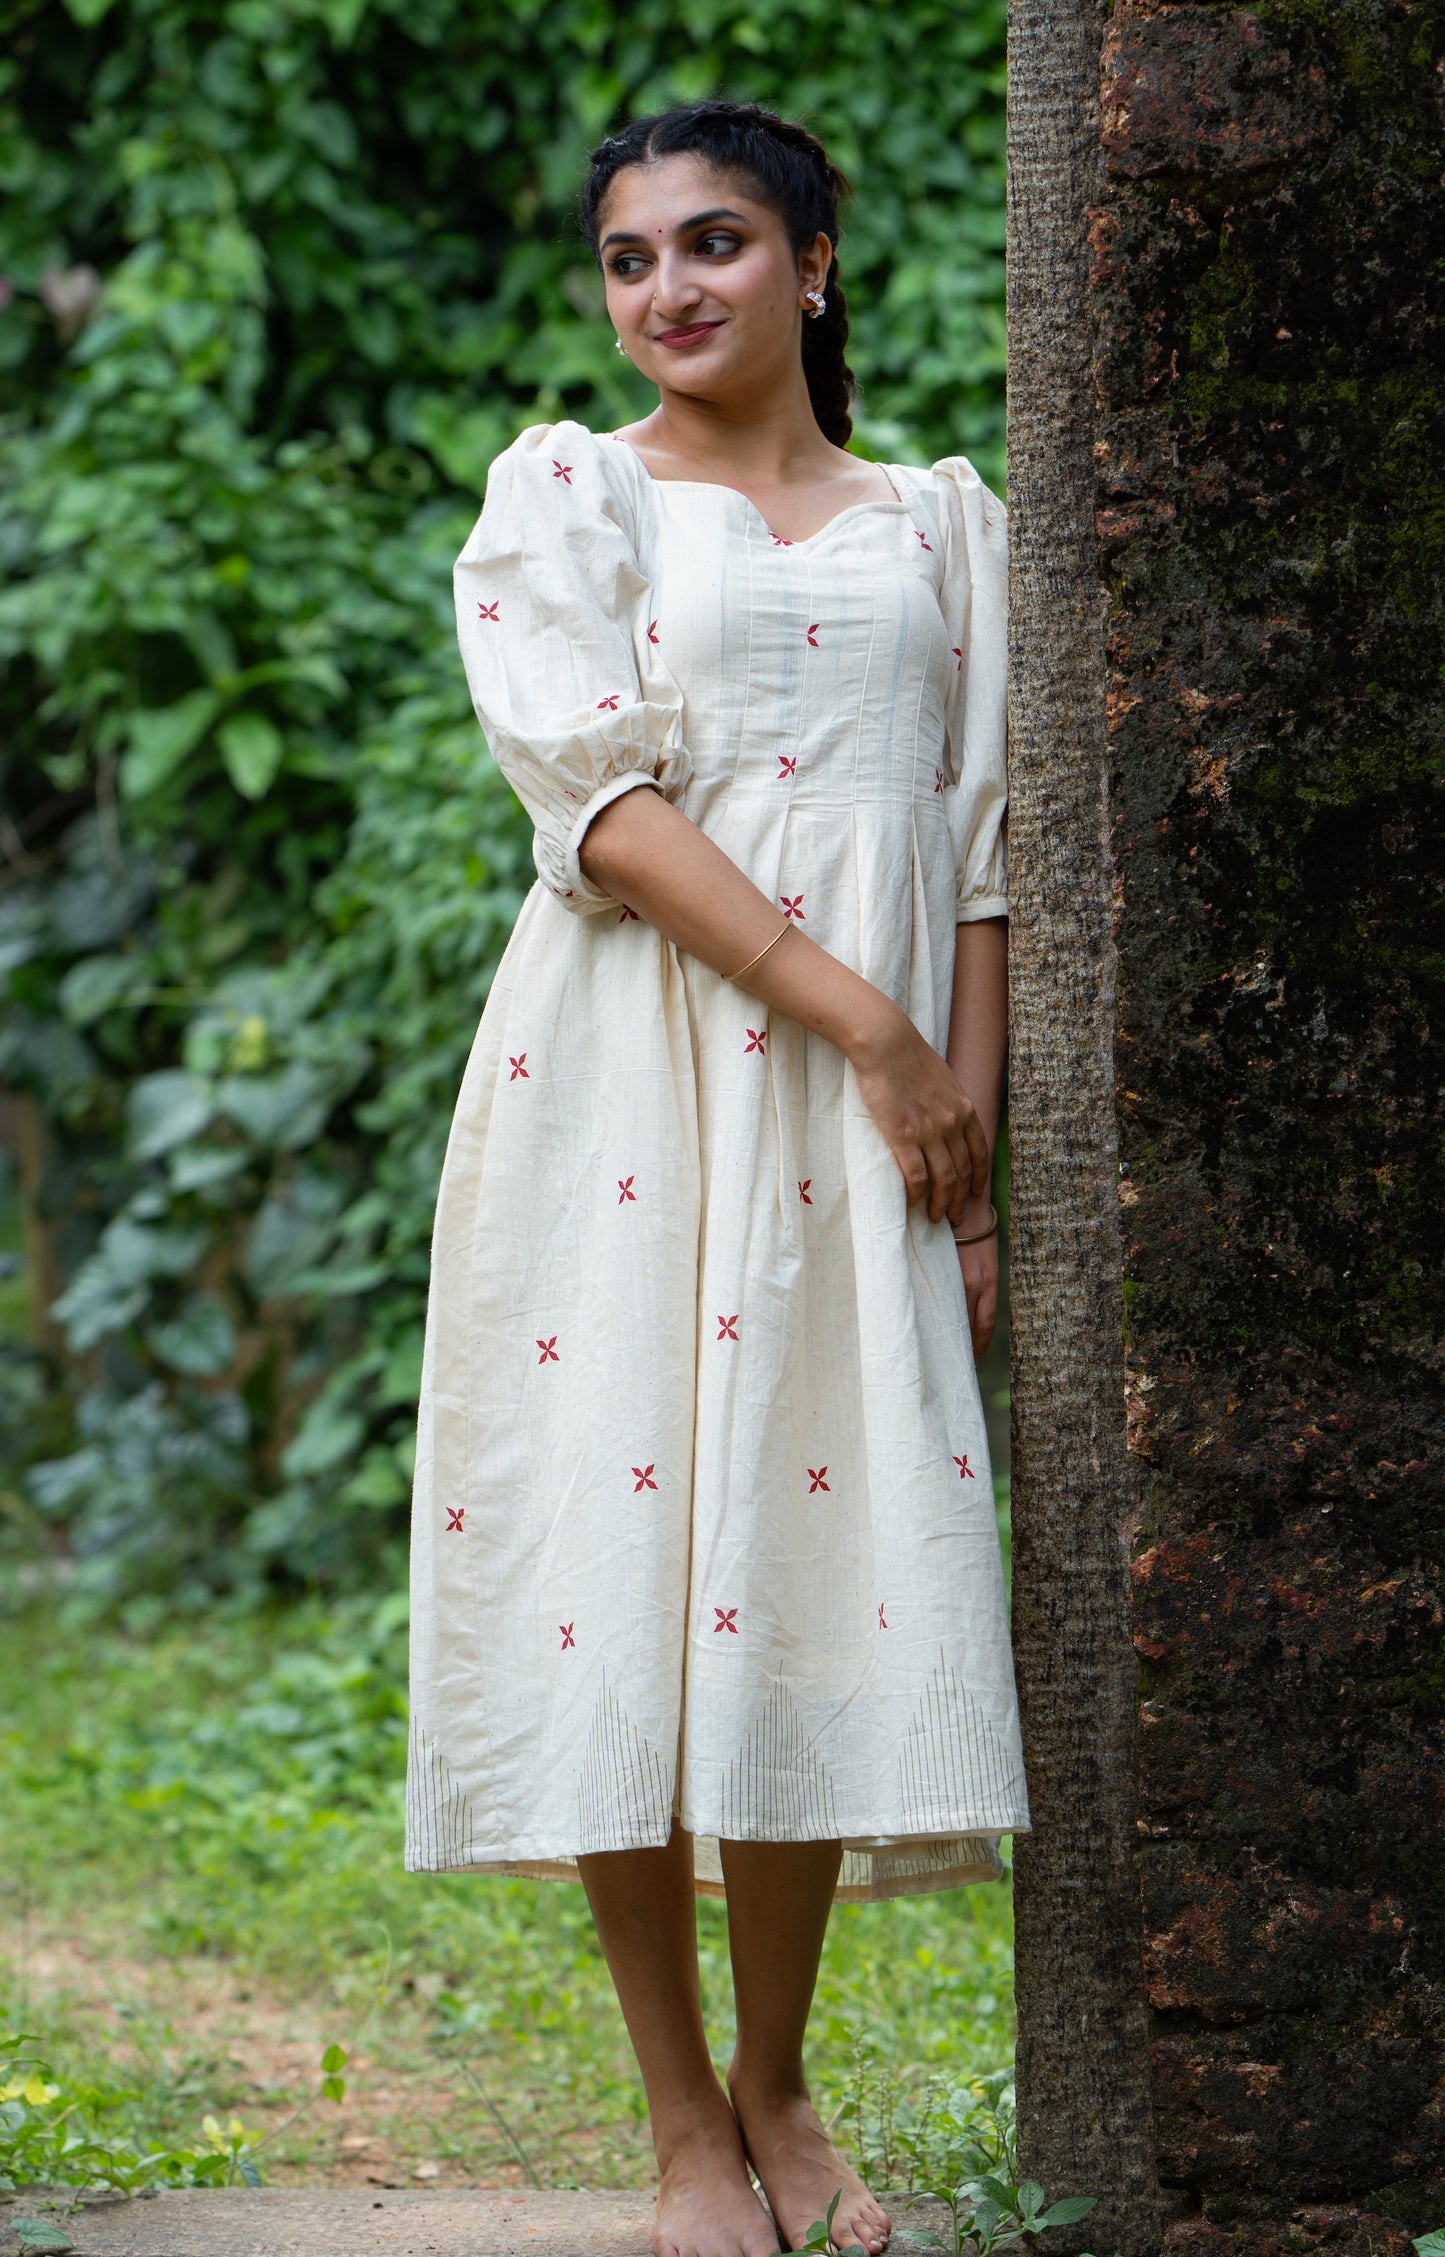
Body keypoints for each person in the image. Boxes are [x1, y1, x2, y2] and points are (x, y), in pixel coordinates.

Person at [406, 98, 1028, 2257]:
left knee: (796, 1550)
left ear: (818, 261)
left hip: (871, 1139)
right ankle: (680, 2118)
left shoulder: (943, 523)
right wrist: (857, 1022)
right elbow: (599, 804)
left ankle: (781, 2083)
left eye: (719, 244)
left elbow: (983, 857)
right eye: (631, 257)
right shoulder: (569, 496)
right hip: (631, 1088)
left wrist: (965, 1133)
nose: (668, 290)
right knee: (622, 1555)